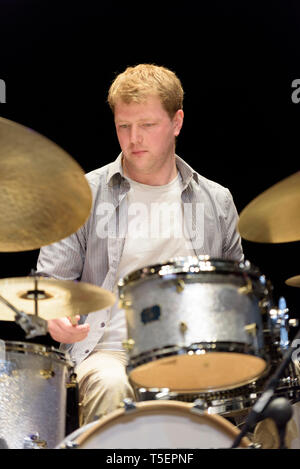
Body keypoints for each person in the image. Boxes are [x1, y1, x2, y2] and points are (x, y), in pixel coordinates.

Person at [36, 63, 244, 427]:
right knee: (110, 384)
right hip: (109, 351)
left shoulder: (217, 199)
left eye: (147, 126)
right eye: (124, 126)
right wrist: (56, 317)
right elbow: (50, 287)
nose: (134, 139)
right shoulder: (83, 194)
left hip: (197, 353)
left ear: (177, 122)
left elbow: (238, 294)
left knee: (277, 393)